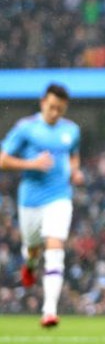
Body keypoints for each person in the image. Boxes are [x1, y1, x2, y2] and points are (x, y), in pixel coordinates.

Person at [0, 83, 82, 328]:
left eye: (60, 109)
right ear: (42, 103)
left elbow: (74, 154)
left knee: (55, 247)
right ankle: (30, 263)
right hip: (30, 201)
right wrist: (31, 164)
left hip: (59, 198)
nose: (55, 113)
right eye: (52, 107)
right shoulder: (26, 129)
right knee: (34, 248)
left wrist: (75, 172)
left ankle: (49, 310)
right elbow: (2, 160)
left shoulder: (72, 130)